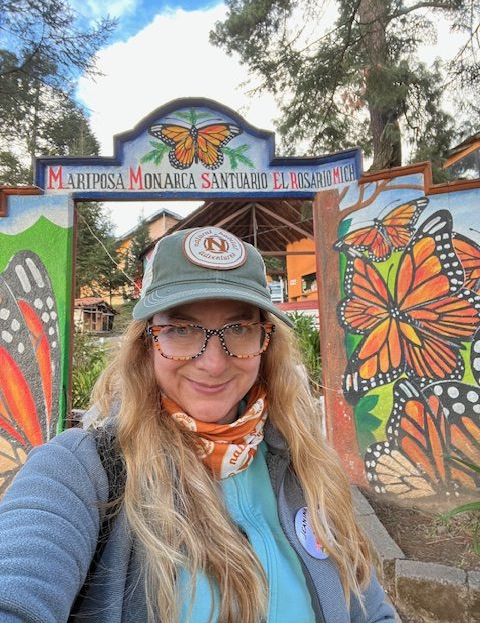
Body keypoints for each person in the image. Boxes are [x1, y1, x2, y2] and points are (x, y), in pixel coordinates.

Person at [0, 226, 395, 623]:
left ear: (266, 341)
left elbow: (370, 610)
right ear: (147, 344)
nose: (213, 363)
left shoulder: (305, 463)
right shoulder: (81, 471)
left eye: (239, 329)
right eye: (182, 330)